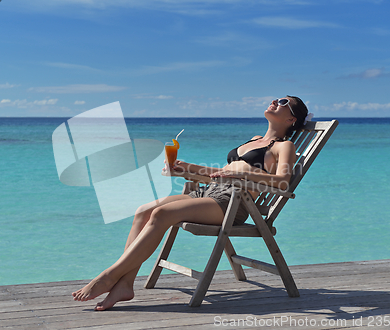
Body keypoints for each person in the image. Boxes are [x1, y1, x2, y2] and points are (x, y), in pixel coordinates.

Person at [72, 96, 309, 310]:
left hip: (233, 203)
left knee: (162, 214)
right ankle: (126, 284)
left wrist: (243, 174)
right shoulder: (254, 140)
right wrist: (187, 168)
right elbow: (220, 173)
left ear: (291, 118)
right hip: (211, 192)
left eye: (283, 102)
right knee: (144, 211)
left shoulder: (283, 146)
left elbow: (282, 182)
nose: (275, 101)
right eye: (276, 99)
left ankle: (108, 276)